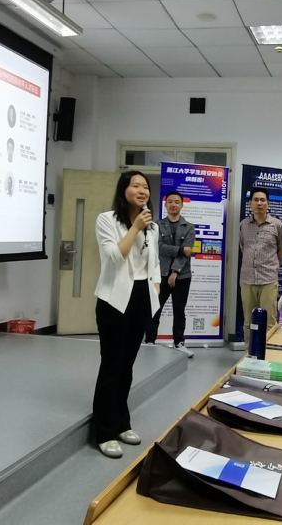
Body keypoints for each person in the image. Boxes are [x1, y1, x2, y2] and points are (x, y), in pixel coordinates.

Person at [92, 171, 161, 458]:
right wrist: (134, 227)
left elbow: (154, 262)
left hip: (142, 297)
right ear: (124, 190)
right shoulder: (107, 220)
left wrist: (155, 286)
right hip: (114, 299)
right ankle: (104, 431)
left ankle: (122, 422)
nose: (142, 190)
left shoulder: (152, 227)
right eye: (136, 185)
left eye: (146, 186)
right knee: (112, 364)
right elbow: (114, 256)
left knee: (127, 365)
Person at [144, 191, 195, 356]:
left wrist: (175, 272)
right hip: (160, 275)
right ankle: (150, 341)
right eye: (170, 202)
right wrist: (180, 249)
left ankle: (179, 342)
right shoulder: (156, 226)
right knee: (155, 308)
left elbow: (188, 252)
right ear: (165, 205)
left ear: (182, 205)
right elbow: (158, 247)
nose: (173, 205)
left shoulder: (189, 227)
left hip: (182, 276)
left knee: (179, 310)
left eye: (177, 202)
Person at [239, 187, 282, 342]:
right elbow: (243, 247)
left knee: (269, 323)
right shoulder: (243, 225)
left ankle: (268, 354)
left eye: (262, 200)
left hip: (268, 280)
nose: (259, 203)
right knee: (248, 323)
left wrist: (271, 267)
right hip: (247, 280)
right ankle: (249, 353)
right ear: (250, 203)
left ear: (268, 203)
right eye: (256, 200)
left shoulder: (277, 225)